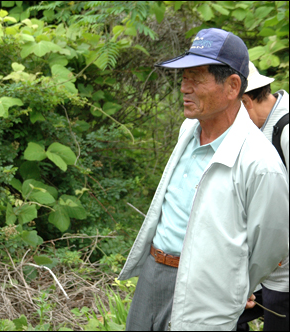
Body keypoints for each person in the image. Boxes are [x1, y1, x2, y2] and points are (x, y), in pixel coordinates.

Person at [117, 28, 289, 331]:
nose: (185, 88)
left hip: (205, 286)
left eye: (196, 78)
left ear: (233, 86)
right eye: (183, 78)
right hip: (154, 272)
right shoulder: (188, 130)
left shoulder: (260, 162)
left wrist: (233, 283)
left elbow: (270, 245)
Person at [236, 62, 289, 331]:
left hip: (284, 274)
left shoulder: (286, 130)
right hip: (264, 268)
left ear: (245, 101)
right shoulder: (263, 127)